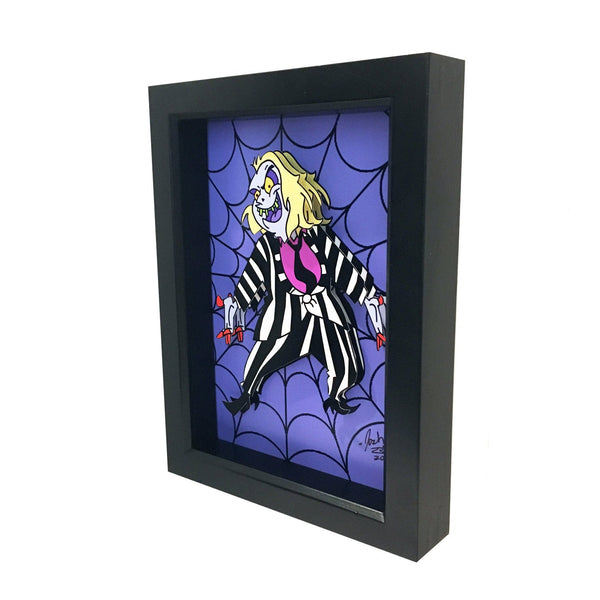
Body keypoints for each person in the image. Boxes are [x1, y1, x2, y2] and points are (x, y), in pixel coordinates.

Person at [216, 151, 386, 416]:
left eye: (269, 186)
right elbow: (253, 277)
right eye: (257, 192)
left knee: (346, 362)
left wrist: (370, 297)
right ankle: (247, 394)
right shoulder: (267, 246)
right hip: (283, 318)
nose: (260, 197)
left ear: (292, 190)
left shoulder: (320, 237)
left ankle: (337, 396)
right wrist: (237, 304)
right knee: (261, 359)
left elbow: (345, 267)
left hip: (325, 313)